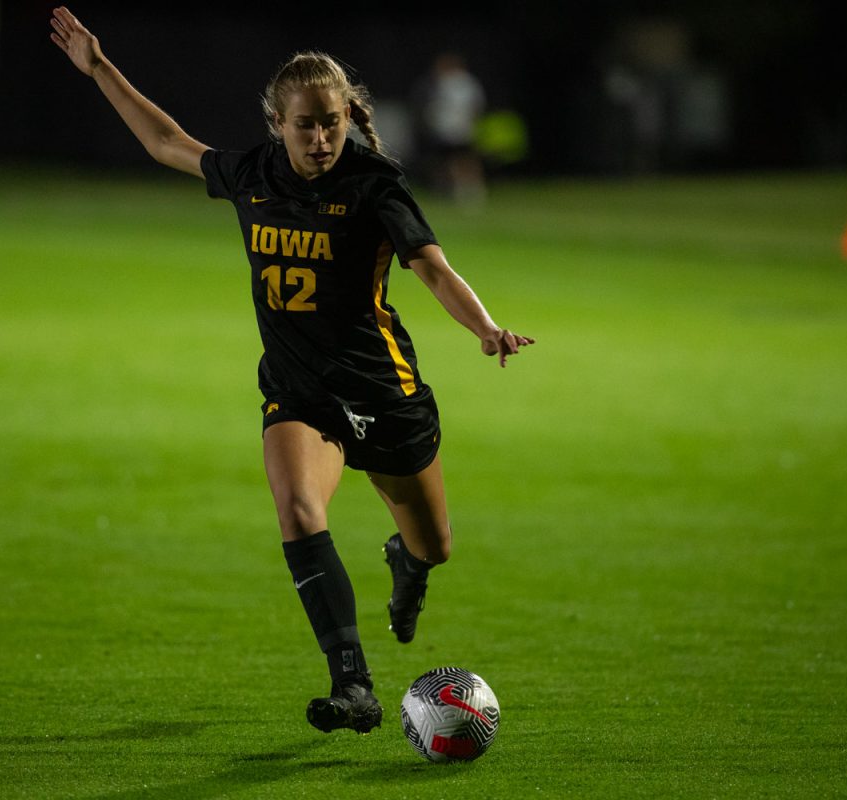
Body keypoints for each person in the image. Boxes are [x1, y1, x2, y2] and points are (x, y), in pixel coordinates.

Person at [50, 6, 534, 734]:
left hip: (383, 391)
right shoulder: (252, 174)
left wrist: (485, 328)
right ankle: (355, 687)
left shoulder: (375, 186)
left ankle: (409, 563)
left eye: (332, 122)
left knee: (435, 543)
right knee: (300, 511)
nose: (320, 137)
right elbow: (164, 141)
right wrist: (98, 67)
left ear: (348, 118)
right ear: (277, 122)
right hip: (298, 390)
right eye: (305, 124)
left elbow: (430, 268)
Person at [414, 52, 487, 204]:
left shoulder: (465, 83)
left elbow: (475, 105)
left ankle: (471, 190)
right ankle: (451, 189)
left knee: (464, 159)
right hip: (444, 129)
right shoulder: (441, 82)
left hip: (461, 128)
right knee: (446, 160)